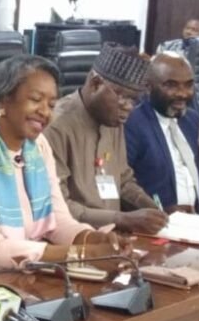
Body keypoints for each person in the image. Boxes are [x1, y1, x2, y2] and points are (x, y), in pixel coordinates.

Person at [0, 55, 129, 282]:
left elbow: (58, 221)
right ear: (2, 100)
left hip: (23, 272)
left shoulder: (38, 147)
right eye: (35, 99)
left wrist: (95, 240)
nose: (45, 112)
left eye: (51, 105)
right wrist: (80, 255)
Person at [43, 43, 168, 235]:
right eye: (122, 96)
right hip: (76, 240)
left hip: (114, 237)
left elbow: (123, 181)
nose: (128, 107)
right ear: (95, 84)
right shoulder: (55, 127)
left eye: (134, 100)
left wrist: (152, 208)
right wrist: (121, 219)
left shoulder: (112, 120)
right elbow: (56, 206)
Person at [125, 53, 199, 215]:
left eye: (188, 85)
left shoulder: (190, 120)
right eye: (171, 85)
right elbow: (123, 185)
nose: (183, 93)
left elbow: (197, 179)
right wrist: (159, 211)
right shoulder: (132, 123)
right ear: (148, 87)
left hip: (195, 221)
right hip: (155, 223)